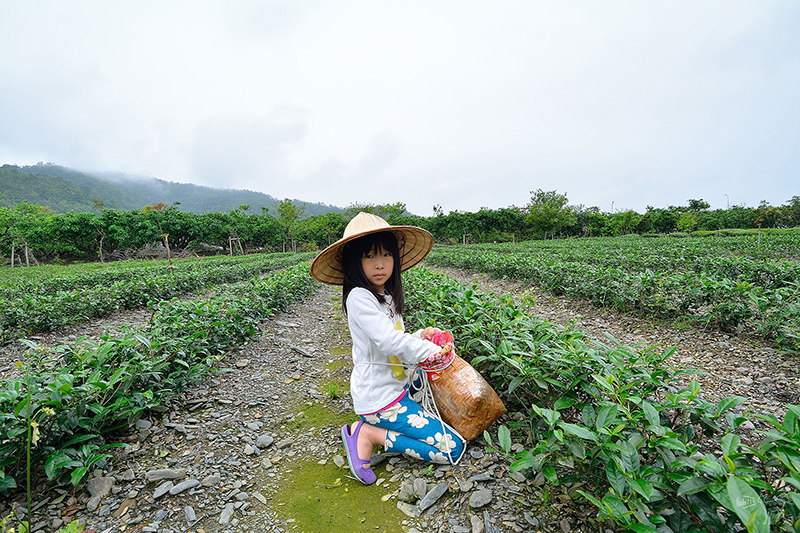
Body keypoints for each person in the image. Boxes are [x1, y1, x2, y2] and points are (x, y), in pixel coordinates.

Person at [310, 212, 466, 485]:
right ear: (354, 262)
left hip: (397, 388)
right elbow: (389, 342)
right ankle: (369, 433)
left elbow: (395, 338)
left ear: (395, 257)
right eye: (369, 256)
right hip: (381, 400)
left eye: (386, 255)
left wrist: (421, 336)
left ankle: (393, 422)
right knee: (452, 448)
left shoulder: (385, 295)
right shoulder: (360, 297)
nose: (379, 264)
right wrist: (430, 352)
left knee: (427, 390)